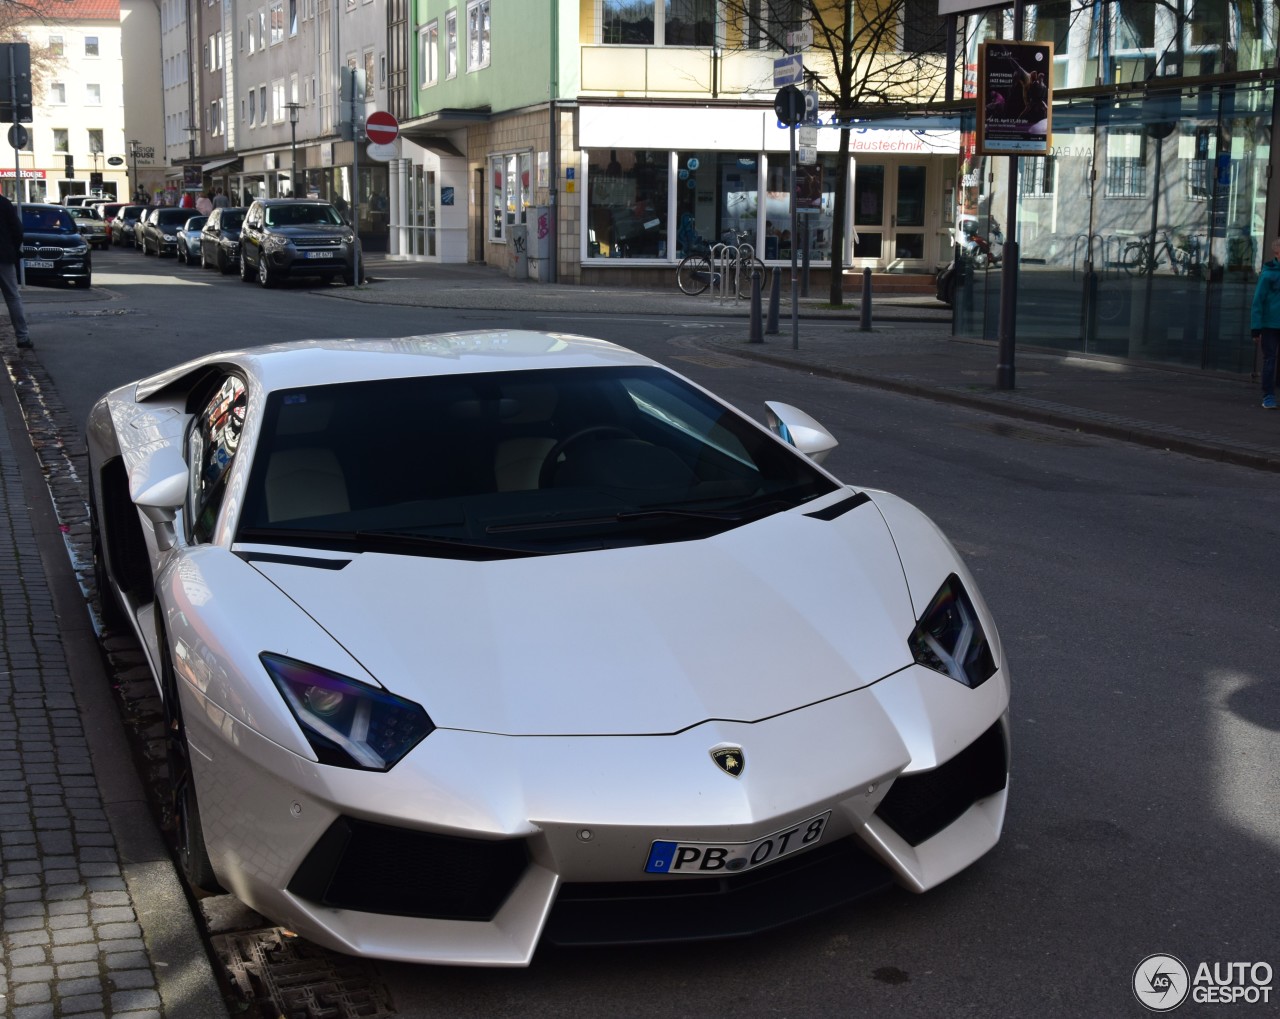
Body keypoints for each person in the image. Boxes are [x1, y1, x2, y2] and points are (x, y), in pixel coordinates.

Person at [1250, 235, 1280, 408]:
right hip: (1270, 325)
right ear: (1277, 252)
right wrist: (1256, 328)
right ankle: (1268, 396)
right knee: (1270, 359)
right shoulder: (1268, 274)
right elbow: (1258, 301)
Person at [0, 193, 32, 348]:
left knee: (13, 297)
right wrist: (13, 248)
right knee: (12, 297)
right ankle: (22, 337)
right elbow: (17, 230)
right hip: (4, 256)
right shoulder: (4, 203)